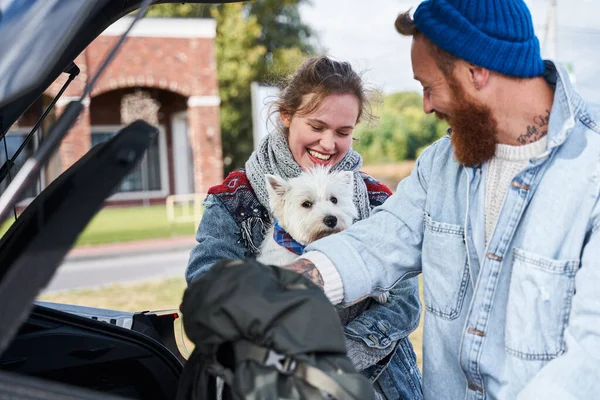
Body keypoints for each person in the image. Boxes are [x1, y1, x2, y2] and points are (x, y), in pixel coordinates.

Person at [274, 1, 600, 399]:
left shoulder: (590, 175)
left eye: (429, 87)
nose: (426, 105)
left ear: (476, 72)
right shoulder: (440, 164)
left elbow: (590, 356)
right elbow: (379, 242)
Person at [185, 56, 423, 399]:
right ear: (286, 115)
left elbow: (403, 303)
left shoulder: (377, 199)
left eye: (343, 132)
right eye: (316, 127)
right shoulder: (236, 198)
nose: (328, 144)